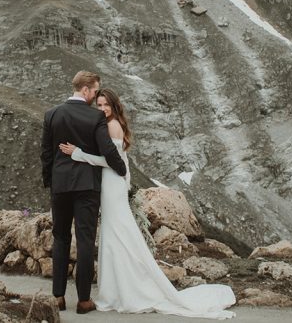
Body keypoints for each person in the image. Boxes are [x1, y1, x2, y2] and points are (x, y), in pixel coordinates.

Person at [59, 88, 236, 318]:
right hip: (115, 185)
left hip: (112, 184)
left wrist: (78, 153)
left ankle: (122, 291)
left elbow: (111, 161)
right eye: (99, 105)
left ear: (114, 106)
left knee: (116, 235)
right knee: (117, 234)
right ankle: (121, 288)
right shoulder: (114, 124)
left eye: (106, 105)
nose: (102, 109)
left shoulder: (112, 126)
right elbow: (123, 161)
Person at [41, 71, 128, 314]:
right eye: (94, 91)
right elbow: (108, 149)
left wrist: (51, 181)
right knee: (85, 240)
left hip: (60, 186)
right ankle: (83, 301)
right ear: (87, 89)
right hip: (87, 186)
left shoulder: (52, 114)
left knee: (60, 237)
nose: (94, 97)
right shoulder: (95, 117)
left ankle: (58, 297)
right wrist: (122, 170)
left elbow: (46, 153)